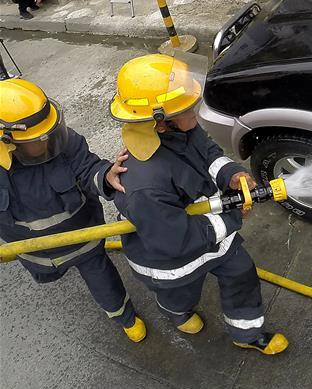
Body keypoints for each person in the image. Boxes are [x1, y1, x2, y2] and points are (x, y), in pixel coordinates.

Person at [108, 53, 288, 355]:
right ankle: (176, 312)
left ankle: (247, 333)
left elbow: (208, 153)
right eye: (187, 107)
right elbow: (175, 239)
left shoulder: (182, 129)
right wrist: (232, 216)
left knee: (242, 272)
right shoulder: (144, 183)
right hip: (172, 262)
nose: (195, 109)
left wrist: (232, 175)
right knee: (180, 296)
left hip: (212, 234)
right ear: (160, 123)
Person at [0, 78, 144, 342]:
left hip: (83, 240)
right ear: (6, 145)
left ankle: (125, 317)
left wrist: (106, 175)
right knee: (48, 276)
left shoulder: (62, 141)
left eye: (49, 133)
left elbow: (87, 166)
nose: (48, 142)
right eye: (38, 139)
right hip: (35, 255)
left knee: (104, 283)